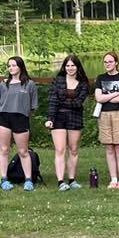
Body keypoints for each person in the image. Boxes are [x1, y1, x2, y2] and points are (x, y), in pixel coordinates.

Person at [45, 54, 90, 191]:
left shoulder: (83, 83)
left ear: (77, 67)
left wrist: (62, 101)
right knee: (60, 149)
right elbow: (53, 100)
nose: (70, 68)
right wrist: (50, 118)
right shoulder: (58, 80)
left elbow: (78, 103)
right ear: (64, 67)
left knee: (74, 150)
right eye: (68, 65)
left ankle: (72, 179)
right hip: (58, 118)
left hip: (75, 117)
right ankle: (60, 181)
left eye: (73, 65)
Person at [0, 56, 38, 191]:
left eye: (14, 65)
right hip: (4, 118)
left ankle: (28, 180)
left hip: (21, 118)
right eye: (9, 66)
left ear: (20, 66)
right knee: (4, 149)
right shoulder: (4, 84)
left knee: (23, 151)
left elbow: (33, 105)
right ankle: (3, 179)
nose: (11, 68)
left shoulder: (29, 84)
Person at [94, 52, 119, 188]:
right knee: (109, 147)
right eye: (105, 62)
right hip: (104, 115)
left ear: (116, 62)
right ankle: (113, 179)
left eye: (110, 61)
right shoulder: (100, 78)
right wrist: (116, 93)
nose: (107, 64)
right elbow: (98, 98)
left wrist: (108, 95)